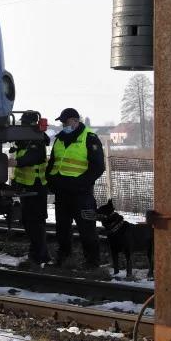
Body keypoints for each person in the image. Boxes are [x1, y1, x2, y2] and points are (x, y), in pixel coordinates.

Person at [45, 108, 105, 268]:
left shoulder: (90, 138)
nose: (63, 125)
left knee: (87, 230)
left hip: (82, 194)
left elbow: (98, 167)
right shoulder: (59, 139)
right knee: (62, 230)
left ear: (75, 120)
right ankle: (63, 259)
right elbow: (53, 163)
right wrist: (51, 180)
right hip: (62, 194)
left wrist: (80, 183)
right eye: (62, 122)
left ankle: (92, 263)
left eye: (66, 122)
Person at [9, 111, 51, 267]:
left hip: (36, 186)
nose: (22, 126)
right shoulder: (25, 141)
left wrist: (15, 162)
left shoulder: (37, 141)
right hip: (27, 187)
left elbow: (31, 158)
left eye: (25, 123)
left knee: (35, 223)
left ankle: (38, 256)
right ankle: (40, 255)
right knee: (29, 222)